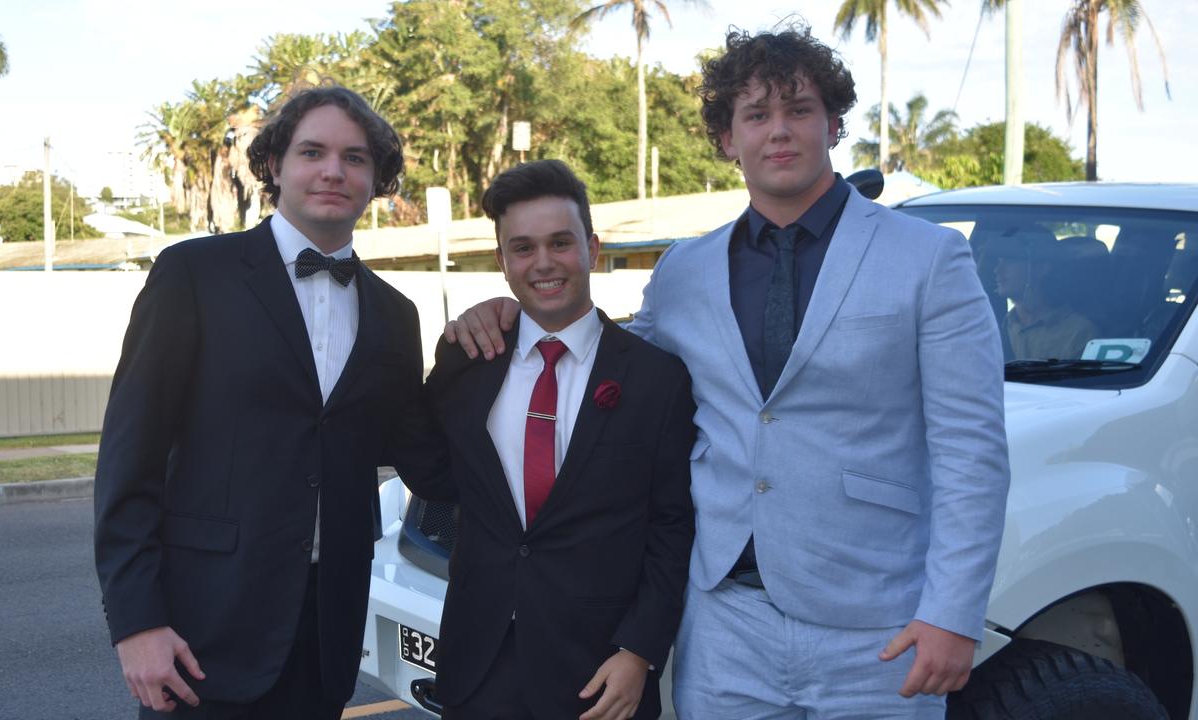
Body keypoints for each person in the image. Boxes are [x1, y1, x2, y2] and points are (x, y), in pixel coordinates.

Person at [446, 24, 1009, 719]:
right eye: (756, 114)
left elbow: (971, 452)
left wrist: (953, 613)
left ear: (833, 124)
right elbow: (602, 359)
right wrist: (508, 309)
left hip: (877, 625)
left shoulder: (929, 259)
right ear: (725, 138)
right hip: (723, 627)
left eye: (799, 109)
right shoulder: (685, 270)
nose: (779, 131)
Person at [93, 85, 436, 719]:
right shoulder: (193, 275)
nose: (333, 171)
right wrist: (136, 623)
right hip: (200, 637)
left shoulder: (396, 314)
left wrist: (497, 343)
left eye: (356, 158)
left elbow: (427, 459)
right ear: (275, 166)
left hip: (326, 639)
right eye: (313, 151)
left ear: (377, 178)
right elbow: (128, 460)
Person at [415, 159, 696, 720]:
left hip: (599, 673)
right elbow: (430, 471)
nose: (542, 263)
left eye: (560, 243)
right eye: (522, 248)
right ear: (501, 261)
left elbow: (673, 526)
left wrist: (639, 649)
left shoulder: (657, 378)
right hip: (478, 664)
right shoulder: (469, 356)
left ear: (591, 250)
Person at [991, 226, 1097, 360]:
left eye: (1010, 260)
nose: (998, 270)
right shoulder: (1000, 326)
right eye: (999, 261)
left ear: (1041, 268)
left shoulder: (1079, 333)